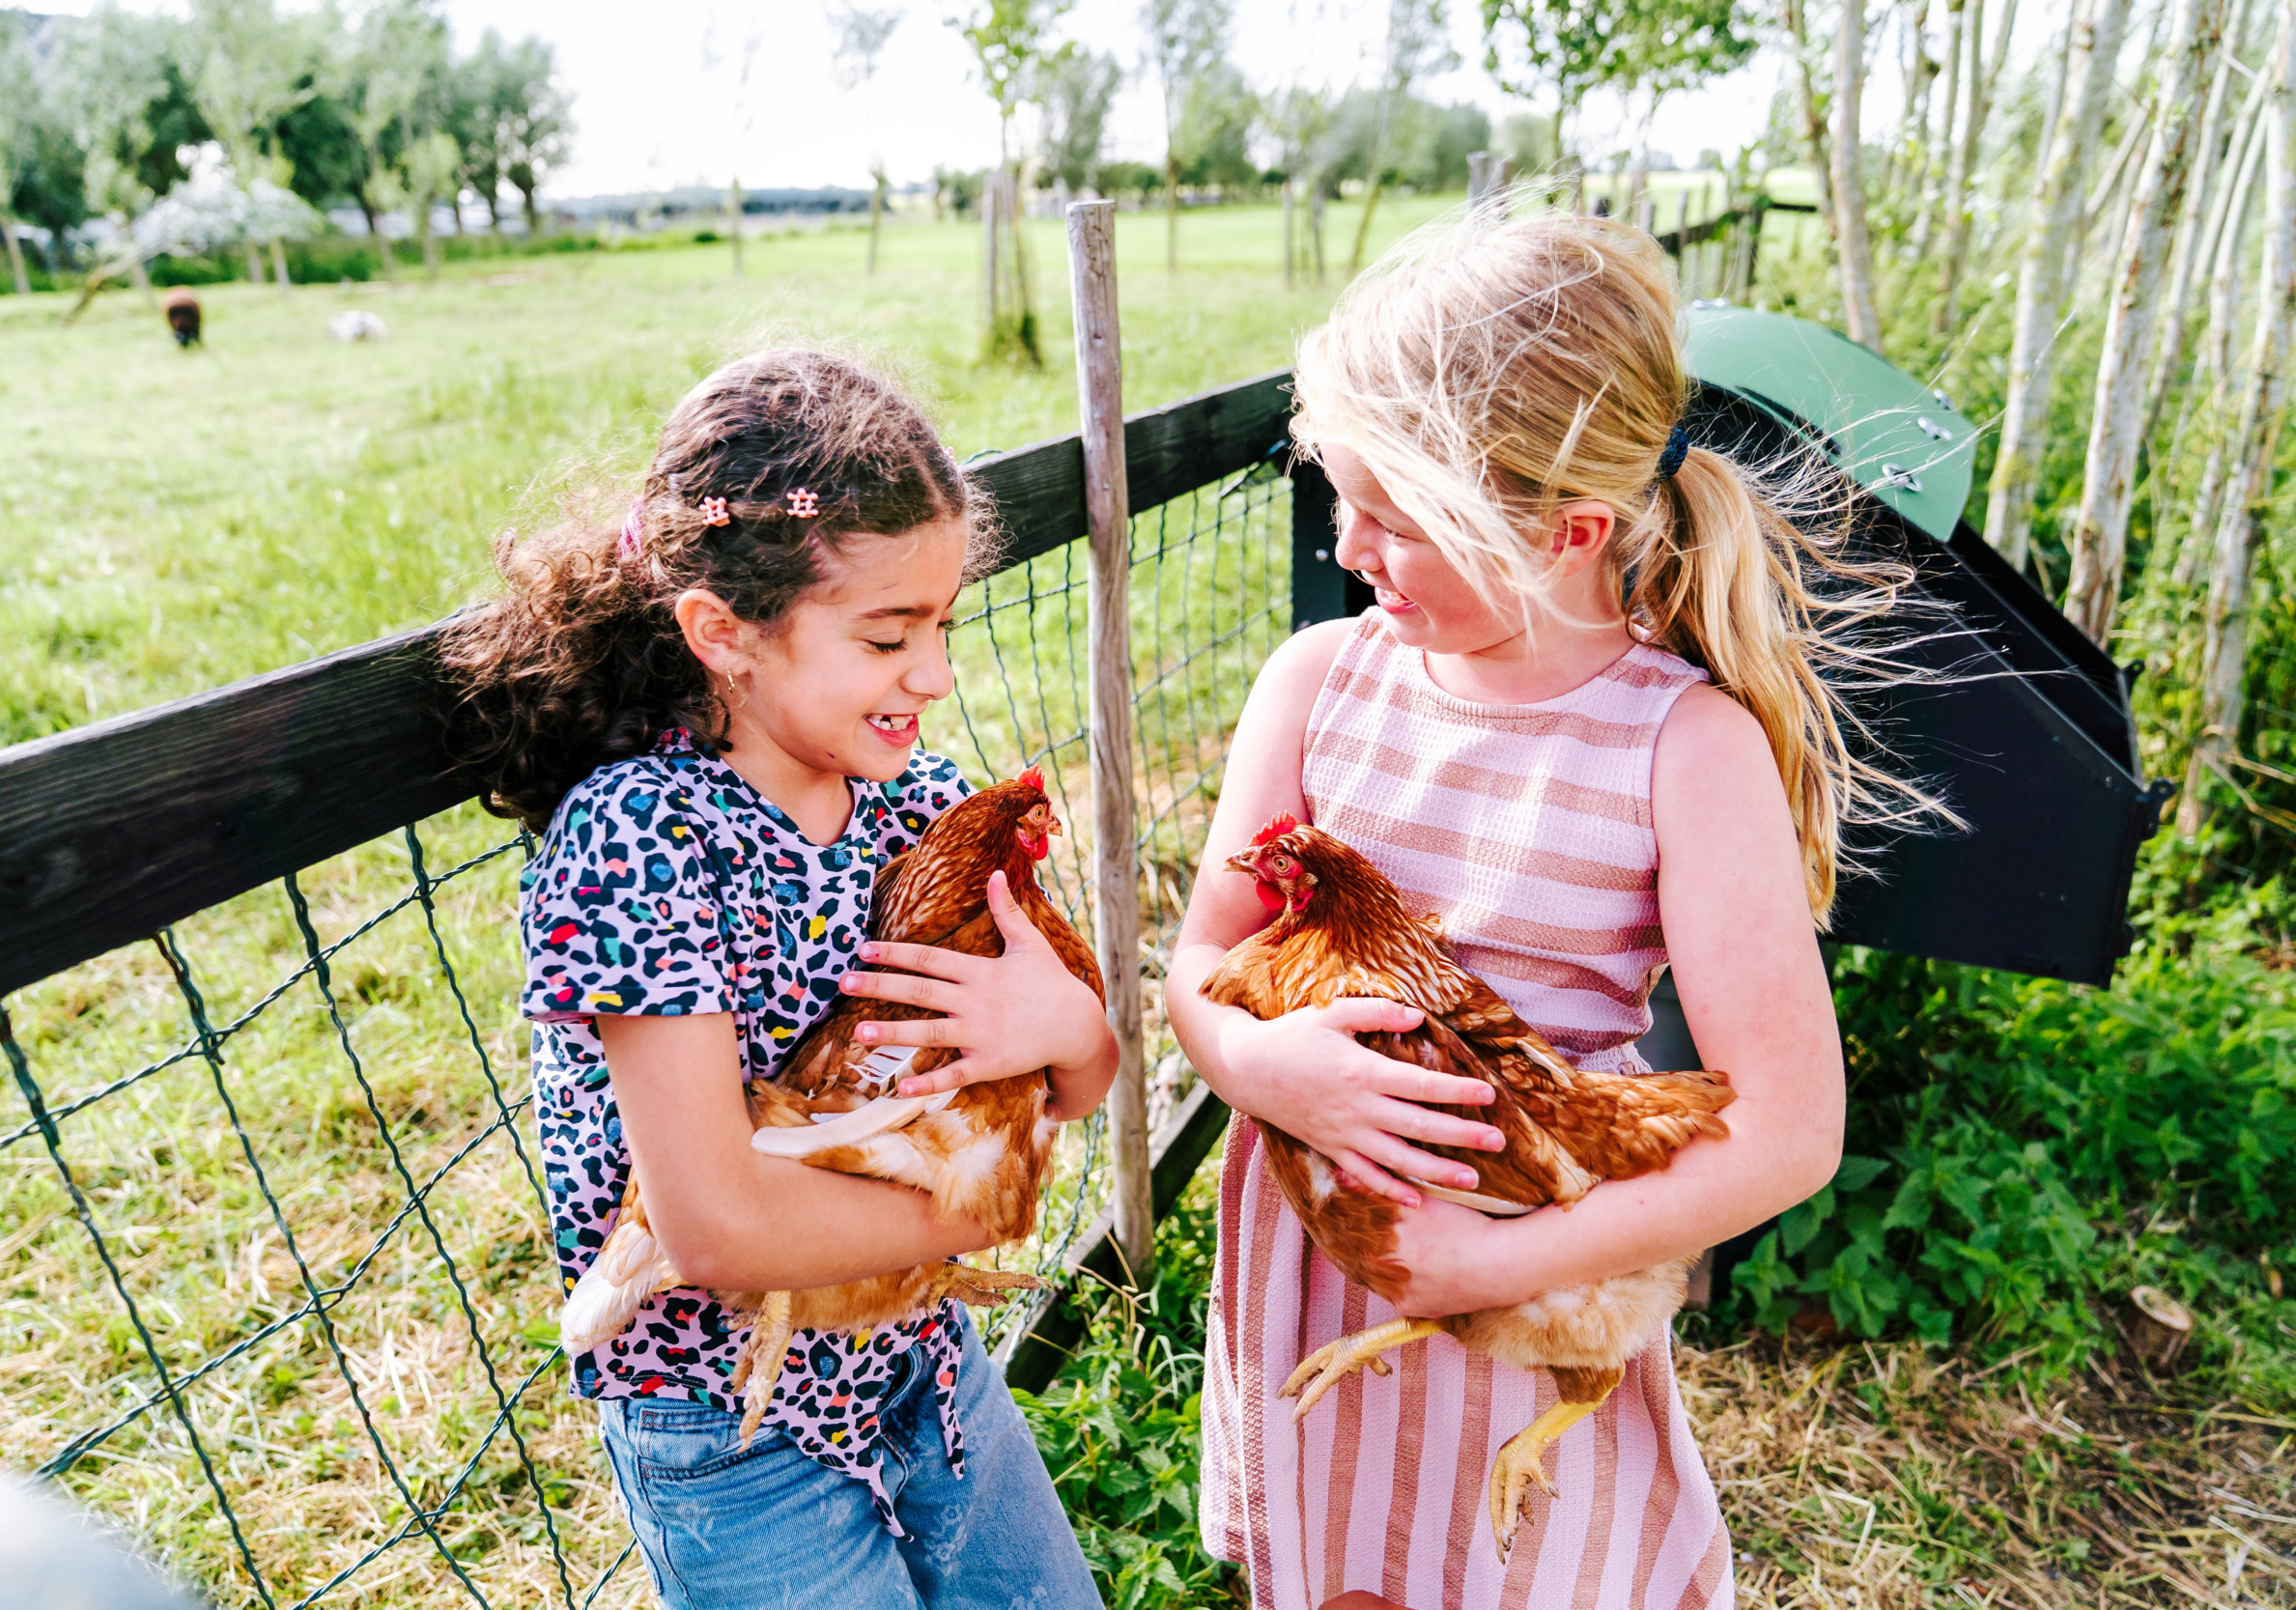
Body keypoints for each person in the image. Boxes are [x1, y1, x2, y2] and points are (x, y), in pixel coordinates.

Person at [1164, 208, 1950, 1610]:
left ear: (1566, 529)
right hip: (1318, 1241)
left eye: (1398, 522)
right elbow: (1204, 963)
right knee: (1336, 1566)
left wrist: (1499, 1257)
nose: (1349, 548)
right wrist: (1255, 1064)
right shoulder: (1315, 682)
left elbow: (1792, 1127)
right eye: (1343, 500)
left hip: (1536, 1254)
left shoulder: (1683, 747)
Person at [442, 350, 1115, 1610]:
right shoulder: (640, 843)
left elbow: (1072, 1083)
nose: (933, 674)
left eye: (943, 627)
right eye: (886, 636)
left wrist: (1071, 1026)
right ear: (723, 634)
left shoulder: (915, 799)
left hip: (923, 1364)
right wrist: (976, 1220)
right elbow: (716, 1227)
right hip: (733, 1434)